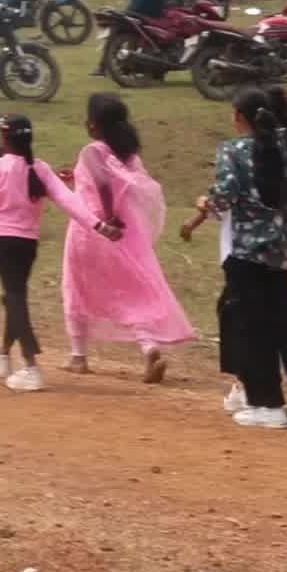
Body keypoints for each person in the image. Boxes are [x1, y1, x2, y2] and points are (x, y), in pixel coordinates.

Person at [179, 91, 287, 429]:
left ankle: (267, 404)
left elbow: (226, 195)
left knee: (251, 328)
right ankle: (269, 400)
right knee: (272, 323)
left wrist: (205, 203)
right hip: (278, 249)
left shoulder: (233, 150)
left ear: (240, 117)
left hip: (245, 250)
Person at [58, 94, 198, 379]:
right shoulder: (127, 154)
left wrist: (106, 216)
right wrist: (75, 178)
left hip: (92, 230)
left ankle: (78, 356)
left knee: (75, 288)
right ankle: (149, 349)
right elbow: (117, 183)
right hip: (124, 235)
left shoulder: (92, 150)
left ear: (94, 124)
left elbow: (104, 184)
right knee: (128, 293)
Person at [0, 114, 103, 391]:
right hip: (28, 242)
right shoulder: (40, 169)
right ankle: (3, 356)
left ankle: (31, 367)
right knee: (14, 296)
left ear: (5, 138)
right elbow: (69, 200)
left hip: (4, 240)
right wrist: (98, 224)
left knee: (15, 298)